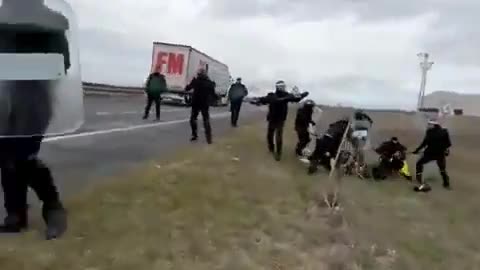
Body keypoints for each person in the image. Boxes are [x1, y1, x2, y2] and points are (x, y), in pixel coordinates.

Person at [0, 0, 71, 239]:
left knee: (22, 156)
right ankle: (15, 214)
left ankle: (53, 207)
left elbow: (62, 64)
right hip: (3, 98)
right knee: (6, 156)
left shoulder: (51, 23)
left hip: (34, 99)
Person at [251, 80, 308, 161]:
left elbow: (296, 99)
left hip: (280, 119)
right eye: (281, 86)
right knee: (270, 135)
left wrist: (303, 95)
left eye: (284, 86)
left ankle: (278, 153)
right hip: (272, 118)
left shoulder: (287, 95)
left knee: (279, 136)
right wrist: (256, 100)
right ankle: (271, 148)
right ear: (278, 87)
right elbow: (264, 100)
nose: (283, 88)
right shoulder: (272, 95)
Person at [412, 120, 452, 191]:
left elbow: (424, 143)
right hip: (440, 154)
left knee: (419, 163)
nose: (428, 125)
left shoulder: (429, 132)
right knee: (442, 169)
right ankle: (446, 183)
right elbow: (448, 144)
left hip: (430, 154)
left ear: (433, 125)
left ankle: (419, 179)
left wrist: (417, 150)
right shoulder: (445, 131)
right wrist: (446, 150)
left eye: (429, 124)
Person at [185, 68, 216, 144]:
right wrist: (215, 99)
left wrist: (190, 83)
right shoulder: (209, 83)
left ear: (198, 74)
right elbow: (213, 94)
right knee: (206, 120)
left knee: (193, 119)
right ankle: (209, 139)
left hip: (196, 103)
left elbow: (187, 88)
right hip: (204, 104)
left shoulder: (195, 81)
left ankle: (194, 135)